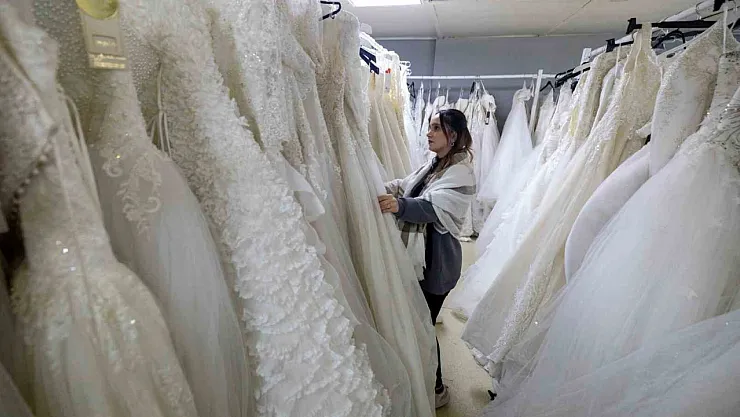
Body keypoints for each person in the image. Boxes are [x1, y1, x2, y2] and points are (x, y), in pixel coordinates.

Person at [379, 109, 476, 409]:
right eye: (430, 127)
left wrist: (399, 206)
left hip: (437, 266)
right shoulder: (435, 165)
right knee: (418, 323)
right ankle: (424, 380)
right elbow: (408, 184)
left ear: (453, 136)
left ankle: (436, 388)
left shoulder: (461, 174)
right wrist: (382, 187)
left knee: (423, 326)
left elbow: (429, 208)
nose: (428, 133)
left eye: (436, 128)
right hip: (424, 260)